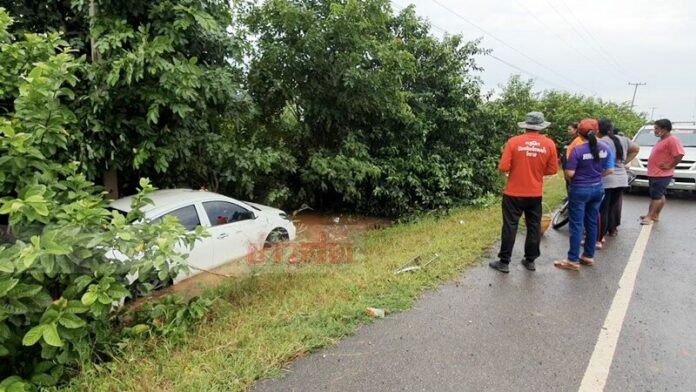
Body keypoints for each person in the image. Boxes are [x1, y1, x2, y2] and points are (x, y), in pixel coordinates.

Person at [490, 112, 558, 273]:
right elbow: (553, 169)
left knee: (510, 226)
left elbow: (503, 167)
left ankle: (504, 262)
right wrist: (537, 172)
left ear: (525, 125)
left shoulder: (514, 142)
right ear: (541, 126)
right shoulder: (549, 144)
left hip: (513, 192)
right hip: (535, 194)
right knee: (534, 226)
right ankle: (530, 260)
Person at [554, 119, 614, 271]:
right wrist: (597, 175)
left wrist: (572, 179)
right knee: (592, 222)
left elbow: (570, 172)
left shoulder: (578, 150)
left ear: (579, 133)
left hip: (580, 189)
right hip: (598, 189)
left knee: (576, 224)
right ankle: (588, 256)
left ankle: (572, 259)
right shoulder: (606, 148)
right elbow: (609, 170)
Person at [597, 119, 640, 243]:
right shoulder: (623, 139)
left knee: (603, 210)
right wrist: (624, 162)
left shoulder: (601, 142)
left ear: (598, 130)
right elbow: (636, 148)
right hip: (621, 179)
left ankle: (599, 237)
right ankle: (611, 230)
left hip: (607, 179)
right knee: (611, 207)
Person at [641, 119, 685, 225]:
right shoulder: (662, 139)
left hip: (661, 174)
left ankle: (649, 216)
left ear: (664, 129)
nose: (655, 131)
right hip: (655, 172)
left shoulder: (672, 140)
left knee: (655, 196)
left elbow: (680, 154)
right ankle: (655, 215)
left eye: (657, 128)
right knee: (660, 195)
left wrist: (669, 165)